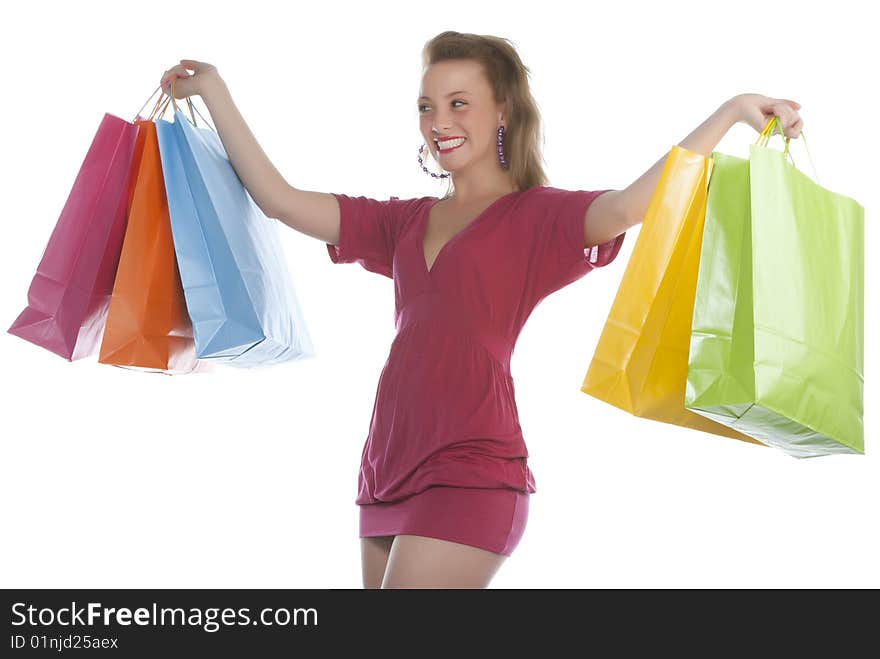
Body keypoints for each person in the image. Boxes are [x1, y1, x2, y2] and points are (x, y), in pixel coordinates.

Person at [160, 31, 803, 589]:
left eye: (459, 103)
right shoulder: (403, 222)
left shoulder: (537, 218)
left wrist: (732, 112)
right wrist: (215, 91)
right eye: (426, 106)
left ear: (502, 112)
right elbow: (280, 199)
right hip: (385, 467)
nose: (439, 120)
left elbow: (635, 202)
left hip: (472, 470)